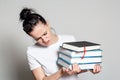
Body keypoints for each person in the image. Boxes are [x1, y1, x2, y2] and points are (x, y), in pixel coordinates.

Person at [19, 8, 101, 80]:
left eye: (45, 33)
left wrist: (91, 68)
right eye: (38, 38)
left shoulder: (69, 39)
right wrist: (61, 72)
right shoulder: (32, 52)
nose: (44, 39)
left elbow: (77, 69)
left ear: (47, 24)